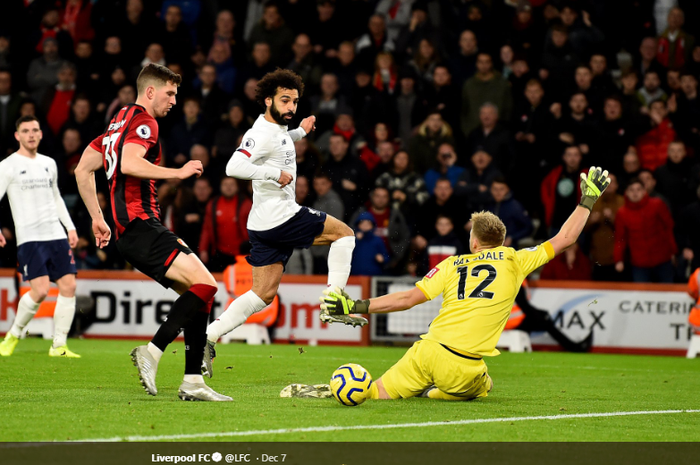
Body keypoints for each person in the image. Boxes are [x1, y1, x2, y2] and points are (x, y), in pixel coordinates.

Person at [293, 167, 611, 401]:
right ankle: (437, 393)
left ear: (474, 241)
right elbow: (566, 238)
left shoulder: (452, 263)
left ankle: (346, 389)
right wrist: (588, 200)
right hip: (462, 365)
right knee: (484, 386)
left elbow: (406, 299)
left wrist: (355, 305)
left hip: (425, 351)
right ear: (499, 241)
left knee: (378, 393)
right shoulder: (515, 259)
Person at [74, 63, 231, 401]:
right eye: (170, 93)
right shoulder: (145, 123)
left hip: (129, 232)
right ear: (150, 91)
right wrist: (178, 171)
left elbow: (82, 168)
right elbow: (130, 163)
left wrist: (97, 218)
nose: (174, 100)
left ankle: (192, 382)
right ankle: (153, 350)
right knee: (207, 284)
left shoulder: (118, 122)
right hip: (140, 224)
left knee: (199, 294)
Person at [203, 69, 362, 378]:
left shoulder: (276, 131)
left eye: (295, 101)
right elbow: (233, 166)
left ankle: (207, 338)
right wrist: (273, 175)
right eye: (285, 100)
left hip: (262, 224)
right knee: (345, 235)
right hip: (281, 215)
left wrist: (300, 132)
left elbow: (278, 143)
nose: (291, 107)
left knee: (262, 294)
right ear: (268, 100)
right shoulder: (260, 133)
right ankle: (333, 299)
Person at [0, 116, 80, 358]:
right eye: (26, 131)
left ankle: (59, 345)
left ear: (41, 134)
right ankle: (13, 335)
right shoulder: (8, 165)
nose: (31, 134)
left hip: (55, 234)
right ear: (17, 136)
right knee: (41, 290)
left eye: (35, 130)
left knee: (69, 286)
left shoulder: (49, 163)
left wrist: (70, 227)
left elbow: (55, 197)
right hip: (30, 237)